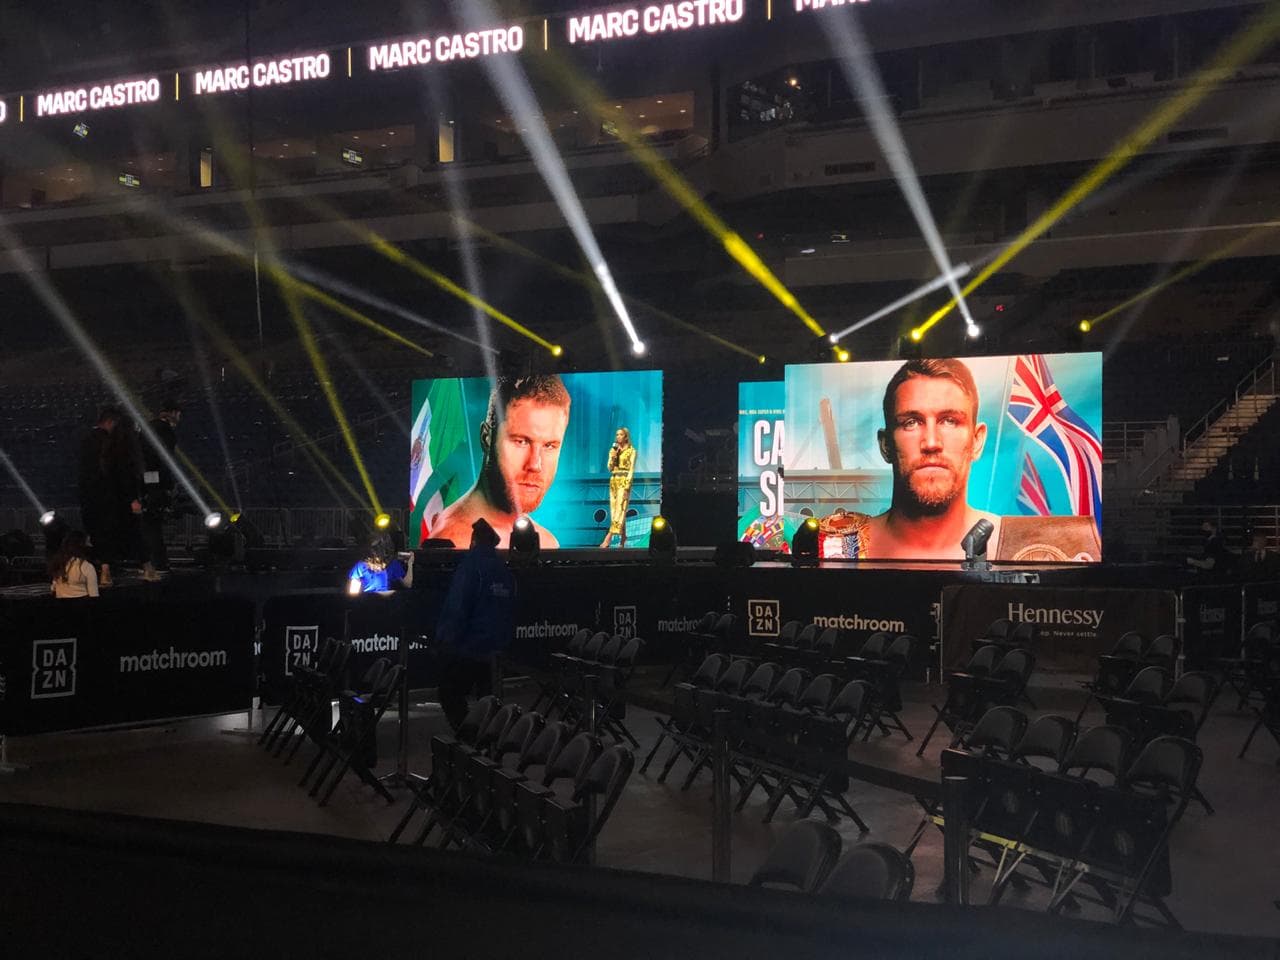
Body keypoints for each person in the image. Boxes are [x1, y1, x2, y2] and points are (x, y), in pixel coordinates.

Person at [818, 358, 1101, 561]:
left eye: (950, 421)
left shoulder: (1031, 545)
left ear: (976, 441)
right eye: (911, 422)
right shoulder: (838, 542)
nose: (931, 443)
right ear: (886, 445)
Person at [430, 375, 570, 549]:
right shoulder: (453, 541)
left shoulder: (547, 542)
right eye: (521, 441)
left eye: (549, 445)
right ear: (486, 438)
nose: (535, 464)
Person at [434, 518, 516, 731]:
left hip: (469, 647)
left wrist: (445, 639)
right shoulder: (503, 570)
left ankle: (468, 736)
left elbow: (457, 606)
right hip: (495, 650)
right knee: (487, 701)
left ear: (474, 539)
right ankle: (485, 744)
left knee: (449, 692)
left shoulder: (471, 566)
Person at [77, 405, 141, 587]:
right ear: (111, 422)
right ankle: (109, 569)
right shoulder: (111, 443)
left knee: (98, 533)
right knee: (110, 532)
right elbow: (120, 471)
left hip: (89, 495)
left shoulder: (85, 440)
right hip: (109, 495)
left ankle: (103, 569)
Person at [141, 399, 181, 582]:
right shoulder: (165, 431)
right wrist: (166, 485)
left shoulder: (147, 428)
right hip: (156, 483)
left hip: (147, 481)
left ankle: (153, 561)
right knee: (153, 524)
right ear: (172, 412)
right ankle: (158, 562)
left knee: (150, 523)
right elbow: (165, 460)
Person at [600, 426, 636, 548]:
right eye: (617, 435)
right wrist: (613, 456)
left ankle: (608, 538)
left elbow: (631, 469)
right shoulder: (613, 450)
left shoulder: (632, 451)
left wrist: (627, 485)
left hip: (624, 480)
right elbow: (609, 468)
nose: (618, 437)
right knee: (616, 510)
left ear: (626, 436)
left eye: (620, 434)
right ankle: (624, 537)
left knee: (620, 509)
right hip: (614, 480)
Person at [346, 532, 414, 594]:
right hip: (385, 603)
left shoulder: (360, 566)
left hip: (366, 603)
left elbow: (353, 593)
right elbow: (408, 584)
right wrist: (410, 564)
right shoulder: (392, 564)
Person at [48, 530, 99, 598]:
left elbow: (53, 588)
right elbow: (94, 595)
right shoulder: (87, 567)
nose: (91, 545)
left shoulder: (59, 564)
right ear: (81, 545)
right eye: (88, 542)